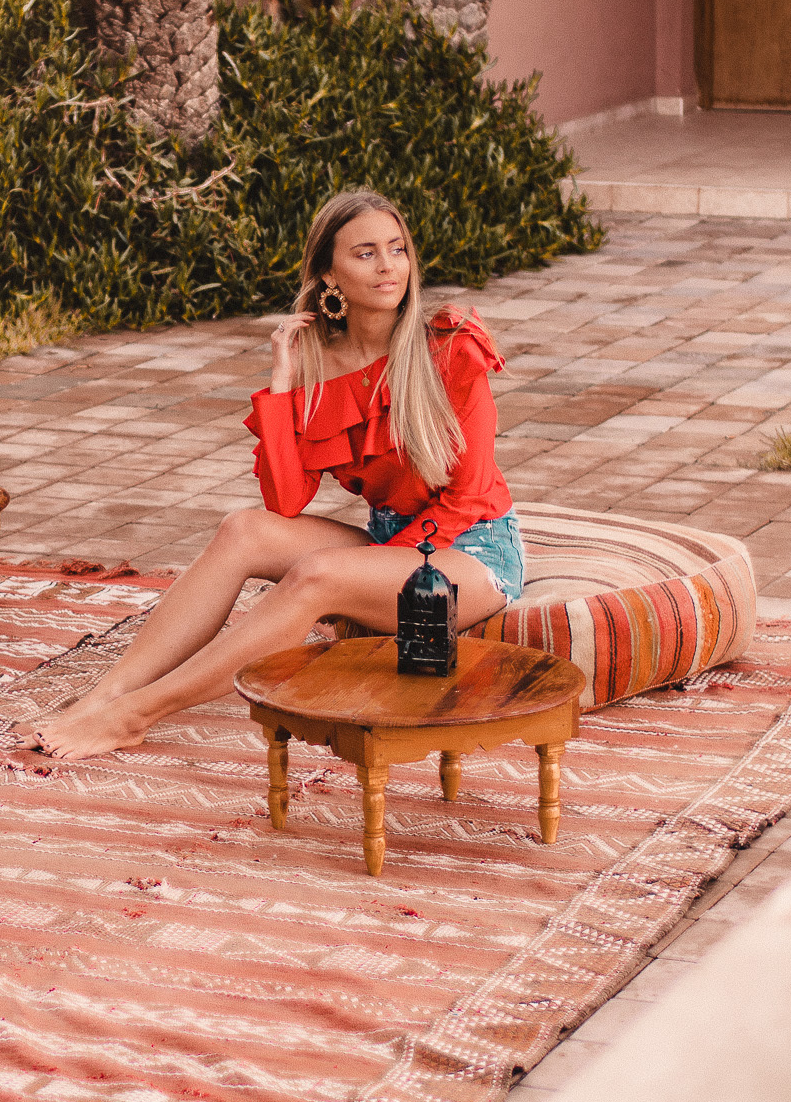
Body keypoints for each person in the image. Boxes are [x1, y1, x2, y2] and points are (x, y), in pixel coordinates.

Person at [29, 189, 523, 760]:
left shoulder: (450, 348)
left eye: (397, 249)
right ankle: (105, 695)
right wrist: (284, 381)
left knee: (319, 575)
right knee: (244, 530)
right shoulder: (319, 360)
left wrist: (359, 571)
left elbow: (466, 498)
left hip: (472, 551)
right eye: (365, 253)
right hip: (393, 540)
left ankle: (134, 715)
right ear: (329, 275)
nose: (388, 266)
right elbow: (285, 500)